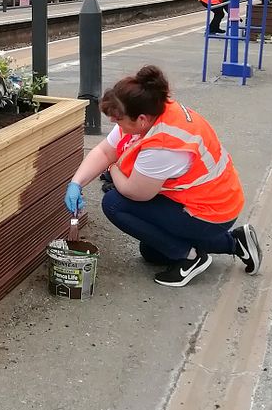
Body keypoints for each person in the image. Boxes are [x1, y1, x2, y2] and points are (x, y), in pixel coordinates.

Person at [63, 65, 261, 288]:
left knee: (115, 203)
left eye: (118, 120)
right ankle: (234, 242)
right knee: (152, 252)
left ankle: (191, 258)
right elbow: (105, 151)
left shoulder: (163, 145)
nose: (113, 124)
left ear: (141, 120)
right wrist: (76, 183)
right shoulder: (151, 109)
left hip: (210, 212)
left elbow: (134, 192)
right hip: (206, 198)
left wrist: (114, 168)